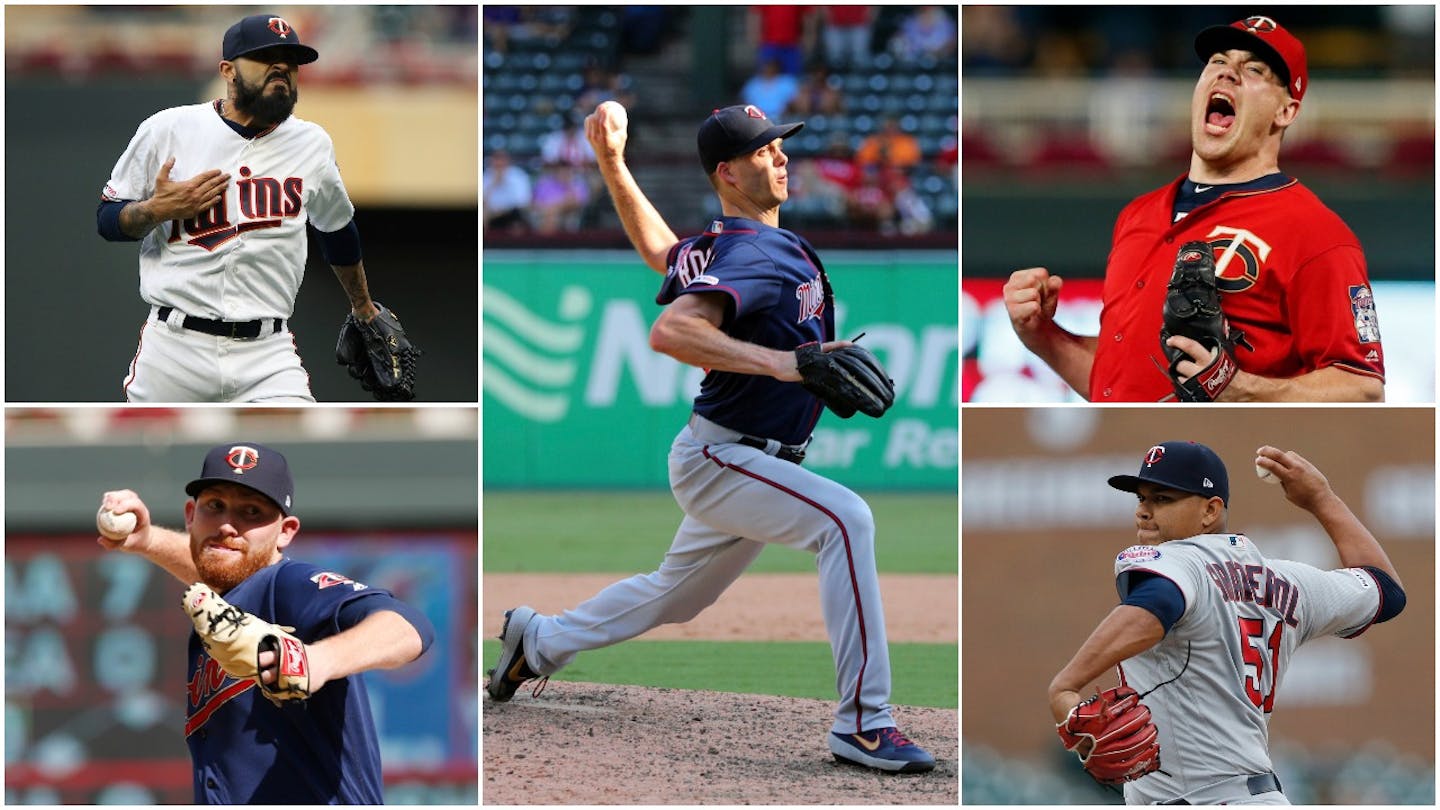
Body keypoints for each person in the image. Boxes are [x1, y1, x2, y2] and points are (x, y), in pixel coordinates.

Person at [484, 102, 936, 774]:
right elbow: (671, 331)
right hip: (726, 457)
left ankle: (538, 641)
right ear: (727, 172)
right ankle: (865, 724)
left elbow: (662, 253)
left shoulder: (727, 243)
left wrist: (611, 164)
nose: (780, 155)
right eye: (762, 151)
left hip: (740, 456)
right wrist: (789, 364)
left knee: (679, 594)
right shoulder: (752, 249)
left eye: (779, 145)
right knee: (847, 520)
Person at [1003, 17, 1386, 402]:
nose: (1228, 74)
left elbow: (1362, 389)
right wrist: (1042, 336)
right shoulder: (1138, 214)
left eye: (1254, 69)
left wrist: (1239, 389)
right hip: (1128, 447)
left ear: (1285, 111)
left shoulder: (1316, 232)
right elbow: (1118, 384)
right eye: (1218, 62)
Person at [1049, 440, 1405, 804]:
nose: (1144, 511)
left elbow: (1158, 601)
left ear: (1210, 510)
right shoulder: (1287, 580)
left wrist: (1067, 683)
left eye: (1162, 499)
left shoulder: (1176, 561)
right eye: (1141, 498)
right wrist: (1321, 499)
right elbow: (1386, 589)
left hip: (1202, 799)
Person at [95, 442, 436, 803]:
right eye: (216, 506)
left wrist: (318, 660)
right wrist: (147, 540)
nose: (228, 524)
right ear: (191, 514)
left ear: (286, 531)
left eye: (252, 512)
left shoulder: (287, 587)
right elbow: (219, 563)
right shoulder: (227, 597)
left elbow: (410, 625)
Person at [97, 14, 395, 403]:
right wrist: (156, 209)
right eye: (265, 58)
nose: (281, 70)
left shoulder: (312, 143)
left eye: (289, 62)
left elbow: (337, 229)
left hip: (267, 353)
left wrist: (364, 307)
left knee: (298, 446)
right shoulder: (169, 129)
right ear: (227, 70)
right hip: (173, 348)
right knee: (145, 452)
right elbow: (107, 219)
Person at [483, 149, 533, 232]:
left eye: (502, 159)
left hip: (513, 212)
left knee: (518, 219)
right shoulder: (486, 176)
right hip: (491, 213)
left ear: (508, 160)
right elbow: (483, 200)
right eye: (496, 159)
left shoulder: (518, 175)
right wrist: (493, 185)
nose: (499, 162)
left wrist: (503, 210)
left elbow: (523, 201)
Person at [740, 59, 801, 125]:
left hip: (782, 119)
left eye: (772, 66)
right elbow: (745, 103)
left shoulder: (787, 81)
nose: (769, 69)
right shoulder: (753, 82)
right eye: (767, 66)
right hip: (757, 120)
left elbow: (795, 102)